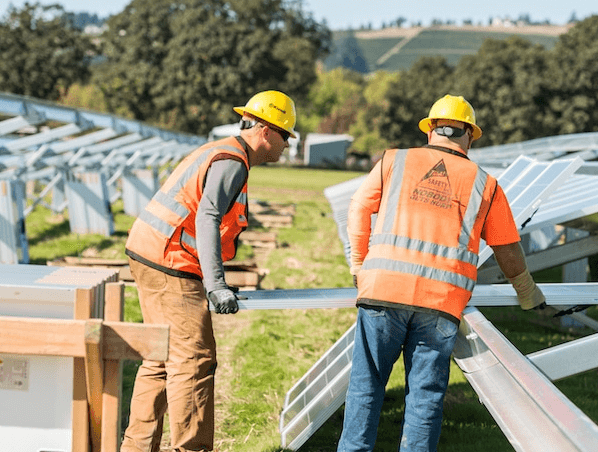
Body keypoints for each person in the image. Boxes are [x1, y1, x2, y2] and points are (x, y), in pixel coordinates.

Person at [338, 94, 548, 451]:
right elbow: (507, 248)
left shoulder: (395, 160)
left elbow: (359, 206)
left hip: (382, 293)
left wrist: (358, 264)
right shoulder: (485, 183)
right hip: (441, 304)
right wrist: (527, 291)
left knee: (366, 385)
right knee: (425, 398)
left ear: (431, 129)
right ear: (469, 134)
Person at [120, 90, 297, 452]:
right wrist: (216, 286)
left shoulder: (222, 151)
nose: (287, 145)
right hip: (172, 262)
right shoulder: (232, 160)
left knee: (161, 356)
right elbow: (208, 216)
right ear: (265, 130)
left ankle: (135, 447)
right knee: (195, 360)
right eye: (286, 135)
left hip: (149, 251)